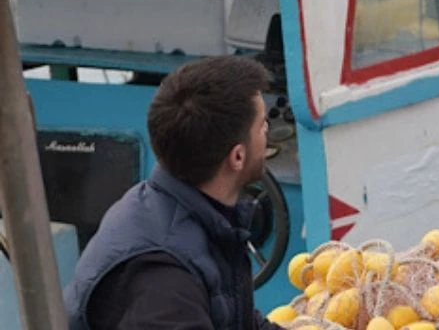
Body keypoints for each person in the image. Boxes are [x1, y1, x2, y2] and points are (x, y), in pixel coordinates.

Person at [64, 55, 284, 330]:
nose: (268, 133)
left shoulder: (182, 210)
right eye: (263, 126)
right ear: (237, 156)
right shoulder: (163, 282)